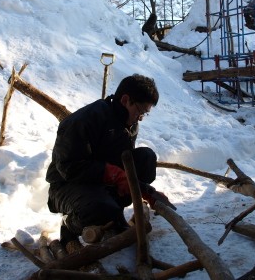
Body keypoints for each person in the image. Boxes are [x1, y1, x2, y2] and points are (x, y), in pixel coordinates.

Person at [46, 74, 173, 252]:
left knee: (146, 158)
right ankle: (70, 224)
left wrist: (146, 191)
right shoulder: (84, 120)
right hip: (67, 185)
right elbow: (68, 167)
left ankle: (113, 212)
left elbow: (124, 166)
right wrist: (112, 173)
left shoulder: (128, 124)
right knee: (100, 209)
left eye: (145, 114)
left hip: (99, 182)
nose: (140, 118)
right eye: (140, 111)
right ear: (126, 100)